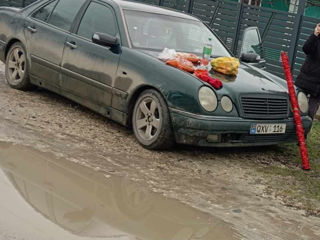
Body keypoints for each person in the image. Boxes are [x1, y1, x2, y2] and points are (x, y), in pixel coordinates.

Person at [295, 23, 320, 120]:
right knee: (297, 108)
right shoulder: (316, 38)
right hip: (305, 80)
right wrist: (315, 34)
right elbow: (306, 49)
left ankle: (304, 133)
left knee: (310, 113)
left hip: (318, 87)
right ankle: (293, 132)